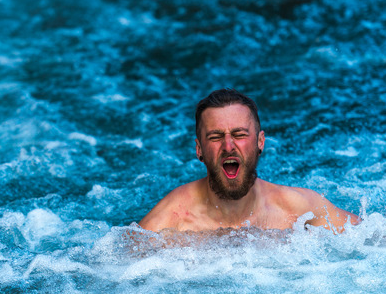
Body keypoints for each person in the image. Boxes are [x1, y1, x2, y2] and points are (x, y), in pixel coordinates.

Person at [139, 88, 361, 233]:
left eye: (240, 135)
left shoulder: (302, 211)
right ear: (199, 150)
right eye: (215, 137)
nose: (228, 146)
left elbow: (374, 239)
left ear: (260, 142)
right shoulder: (169, 224)